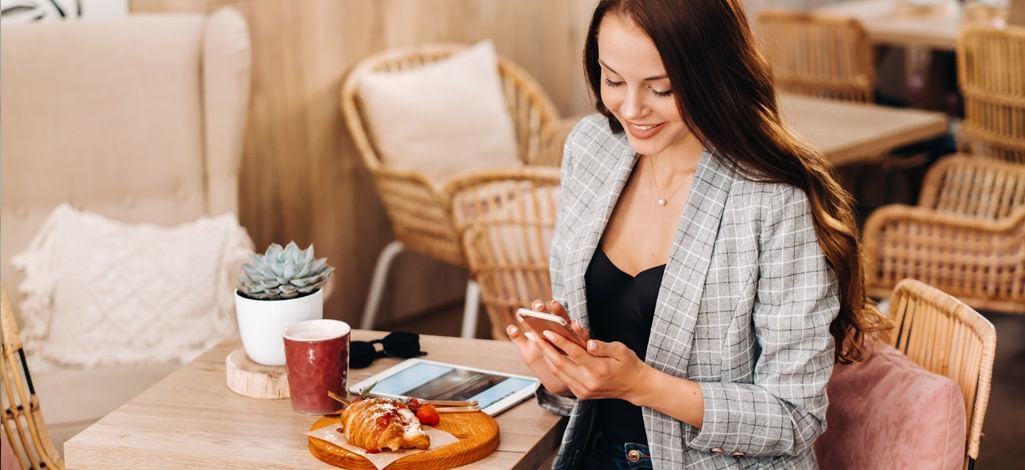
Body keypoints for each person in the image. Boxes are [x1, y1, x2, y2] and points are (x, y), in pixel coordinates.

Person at [504, 1, 887, 468]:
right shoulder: (592, 150)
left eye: (660, 88)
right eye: (613, 80)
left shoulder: (773, 200)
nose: (630, 108)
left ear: (711, 75)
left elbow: (794, 416)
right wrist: (563, 375)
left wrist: (641, 384)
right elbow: (584, 386)